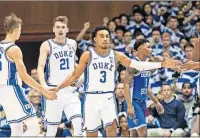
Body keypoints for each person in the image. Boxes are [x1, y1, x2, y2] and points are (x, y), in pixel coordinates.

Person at [51, 26, 179, 137]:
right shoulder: (87, 55)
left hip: (108, 97)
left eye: (107, 36)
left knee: (112, 130)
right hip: (90, 97)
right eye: (102, 36)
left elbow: (136, 64)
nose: (106, 38)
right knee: (91, 134)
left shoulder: (115, 54)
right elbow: (74, 76)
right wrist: (58, 88)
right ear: (95, 39)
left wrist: (162, 64)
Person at [0, 13, 57, 136]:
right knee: (35, 129)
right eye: (20, 30)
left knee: (16, 131)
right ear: (16, 29)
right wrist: (45, 91)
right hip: (13, 90)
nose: (20, 33)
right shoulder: (14, 49)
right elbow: (25, 77)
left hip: (2, 92)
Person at [37, 16, 83, 136]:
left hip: (70, 90)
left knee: (78, 123)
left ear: (67, 29)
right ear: (53, 29)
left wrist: (80, 77)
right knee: (51, 131)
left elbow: (74, 65)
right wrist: (44, 87)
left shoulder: (72, 43)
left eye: (63, 27)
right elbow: (40, 67)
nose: (60, 30)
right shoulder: (46, 45)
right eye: (58, 27)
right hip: (53, 92)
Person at [123, 39, 165, 137]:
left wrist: (156, 102)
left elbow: (147, 87)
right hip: (133, 102)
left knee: (134, 133)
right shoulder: (133, 64)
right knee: (143, 133)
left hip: (142, 101)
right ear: (141, 49)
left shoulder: (145, 65)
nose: (151, 49)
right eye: (149, 47)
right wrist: (129, 105)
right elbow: (125, 85)